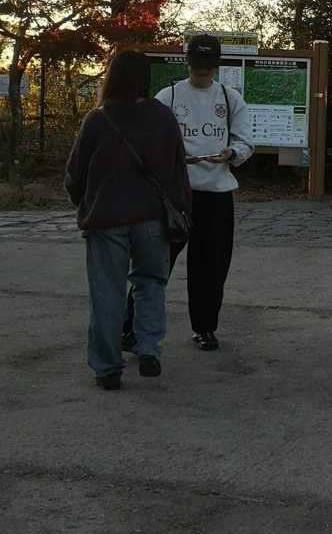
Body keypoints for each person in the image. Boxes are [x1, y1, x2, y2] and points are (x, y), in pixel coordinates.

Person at [64, 50, 191, 390]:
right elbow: (178, 169)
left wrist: (82, 201)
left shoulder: (98, 118)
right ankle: (147, 347)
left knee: (107, 292)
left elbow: (76, 173)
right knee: (151, 283)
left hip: (105, 218)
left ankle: (107, 369)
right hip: (151, 218)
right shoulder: (163, 117)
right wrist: (181, 209)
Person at [126, 33, 254, 352]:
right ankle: (131, 326)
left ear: (216, 65)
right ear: (188, 62)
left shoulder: (230, 98)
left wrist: (232, 153)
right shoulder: (168, 96)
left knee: (211, 265)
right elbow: (149, 141)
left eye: (208, 64)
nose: (202, 71)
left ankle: (205, 327)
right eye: (197, 63)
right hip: (174, 194)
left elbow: (244, 141)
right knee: (156, 262)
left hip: (217, 194)